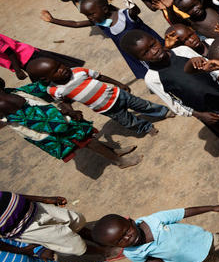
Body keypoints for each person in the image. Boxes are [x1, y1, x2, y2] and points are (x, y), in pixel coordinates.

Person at [119, 30, 219, 139]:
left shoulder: (182, 50)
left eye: (153, 45)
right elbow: (173, 104)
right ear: (140, 59)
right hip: (208, 112)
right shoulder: (152, 78)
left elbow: (210, 65)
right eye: (146, 52)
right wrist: (200, 115)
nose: (154, 51)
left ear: (156, 39)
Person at [0, 77, 141, 168]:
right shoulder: (4, 102)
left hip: (54, 121)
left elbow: (37, 90)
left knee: (85, 140)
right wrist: (66, 113)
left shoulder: (8, 92)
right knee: (86, 139)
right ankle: (119, 161)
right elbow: (37, 120)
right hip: (49, 128)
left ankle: (114, 151)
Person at [26, 56, 170, 137]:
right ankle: (145, 127)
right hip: (105, 108)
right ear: (45, 79)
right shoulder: (54, 90)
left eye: (60, 65)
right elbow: (64, 102)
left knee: (143, 105)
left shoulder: (78, 71)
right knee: (128, 122)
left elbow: (100, 77)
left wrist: (119, 83)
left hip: (117, 94)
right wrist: (71, 111)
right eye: (56, 71)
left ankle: (163, 112)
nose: (62, 69)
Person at [40, 0, 162, 79]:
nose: (90, 18)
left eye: (91, 14)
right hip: (133, 54)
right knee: (152, 71)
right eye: (87, 16)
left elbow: (135, 10)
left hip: (149, 46)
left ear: (104, 9)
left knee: (161, 58)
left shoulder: (125, 15)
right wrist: (53, 20)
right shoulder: (101, 22)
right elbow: (76, 24)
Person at [0, 191, 95, 258]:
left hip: (35, 208)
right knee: (70, 243)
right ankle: (102, 251)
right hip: (25, 228)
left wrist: (44, 199)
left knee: (75, 219)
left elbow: (10, 195)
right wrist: (21, 251)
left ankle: (95, 238)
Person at [0, 33, 84, 80]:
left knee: (60, 70)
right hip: (23, 60)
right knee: (54, 74)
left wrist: (18, 71)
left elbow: (9, 52)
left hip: (28, 57)